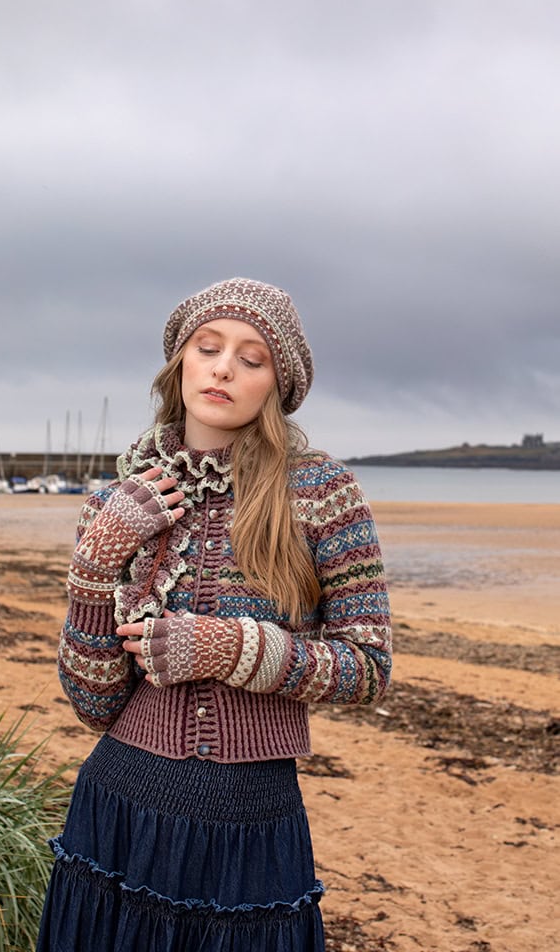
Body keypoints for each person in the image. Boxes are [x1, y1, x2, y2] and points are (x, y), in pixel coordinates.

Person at [36, 277, 392, 952]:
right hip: (116, 808)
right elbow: (92, 702)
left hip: (251, 824)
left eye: (252, 358)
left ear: (276, 385)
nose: (225, 366)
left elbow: (368, 668)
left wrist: (231, 649)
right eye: (208, 347)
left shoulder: (320, 492)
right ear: (182, 364)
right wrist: (90, 571)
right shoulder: (122, 498)